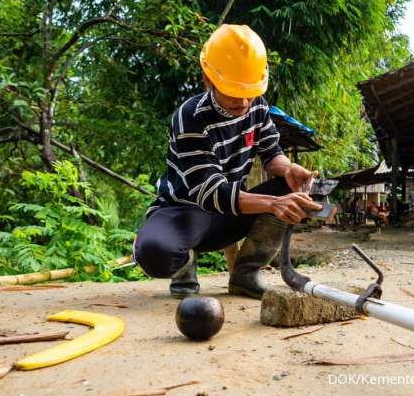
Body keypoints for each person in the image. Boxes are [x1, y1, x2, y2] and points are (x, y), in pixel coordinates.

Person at [133, 24, 321, 300]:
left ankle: (246, 274)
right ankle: (184, 267)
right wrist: (272, 204)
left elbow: (271, 152)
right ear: (208, 80)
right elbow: (210, 192)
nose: (243, 102)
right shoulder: (190, 117)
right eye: (233, 91)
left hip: (230, 213)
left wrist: (289, 169)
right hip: (185, 211)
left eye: (250, 92)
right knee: (154, 252)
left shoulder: (257, 106)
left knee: (288, 188)